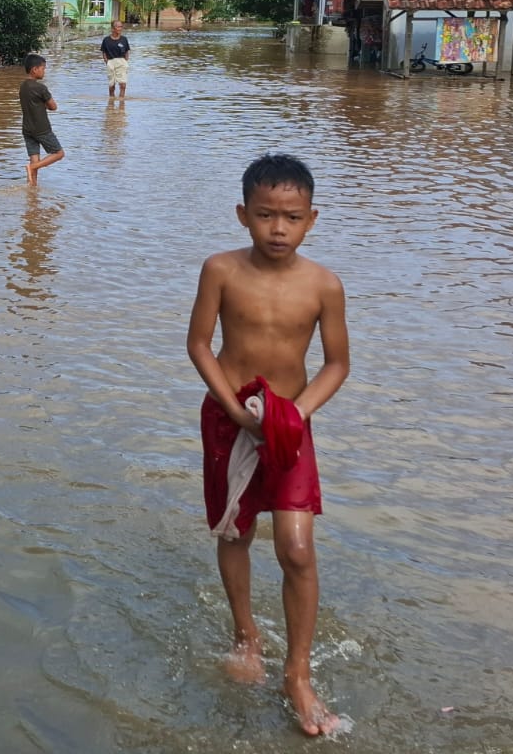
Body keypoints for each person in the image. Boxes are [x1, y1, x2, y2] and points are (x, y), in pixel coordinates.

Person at [185, 153, 350, 738]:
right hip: (229, 416)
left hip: (289, 421)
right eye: (265, 215)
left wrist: (295, 415)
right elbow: (199, 343)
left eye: (292, 217)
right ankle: (246, 636)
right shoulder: (221, 270)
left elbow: (336, 363)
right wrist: (235, 410)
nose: (278, 229)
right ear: (242, 214)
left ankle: (297, 675)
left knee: (297, 549)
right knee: (236, 530)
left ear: (311, 220)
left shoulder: (324, 285)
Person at [18, 53, 63, 185]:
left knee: (34, 157)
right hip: (42, 128)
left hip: (27, 129)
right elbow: (53, 106)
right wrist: (44, 104)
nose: (44, 71)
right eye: (43, 68)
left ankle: (32, 189)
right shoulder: (41, 88)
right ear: (34, 69)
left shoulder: (23, 86)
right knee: (59, 153)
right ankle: (33, 167)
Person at [100, 20, 131, 99]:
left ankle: (121, 101)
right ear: (113, 28)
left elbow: (127, 51)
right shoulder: (106, 40)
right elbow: (104, 52)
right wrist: (107, 62)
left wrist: (125, 62)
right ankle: (111, 101)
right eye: (118, 27)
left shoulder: (124, 39)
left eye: (121, 27)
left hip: (121, 62)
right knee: (112, 85)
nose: (120, 28)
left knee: (123, 84)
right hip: (110, 62)